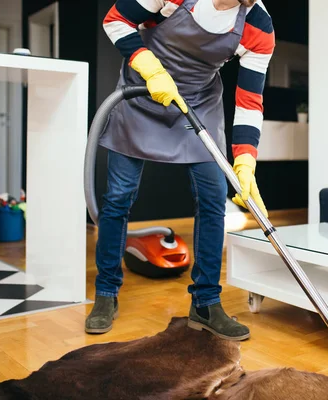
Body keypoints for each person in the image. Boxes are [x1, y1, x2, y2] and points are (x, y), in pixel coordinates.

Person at [85, 0, 275, 340]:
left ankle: (205, 302)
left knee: (214, 199)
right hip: (141, 94)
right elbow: (116, 20)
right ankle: (106, 292)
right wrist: (154, 72)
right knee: (118, 197)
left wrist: (245, 161)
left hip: (199, 105)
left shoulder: (258, 25)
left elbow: (249, 101)